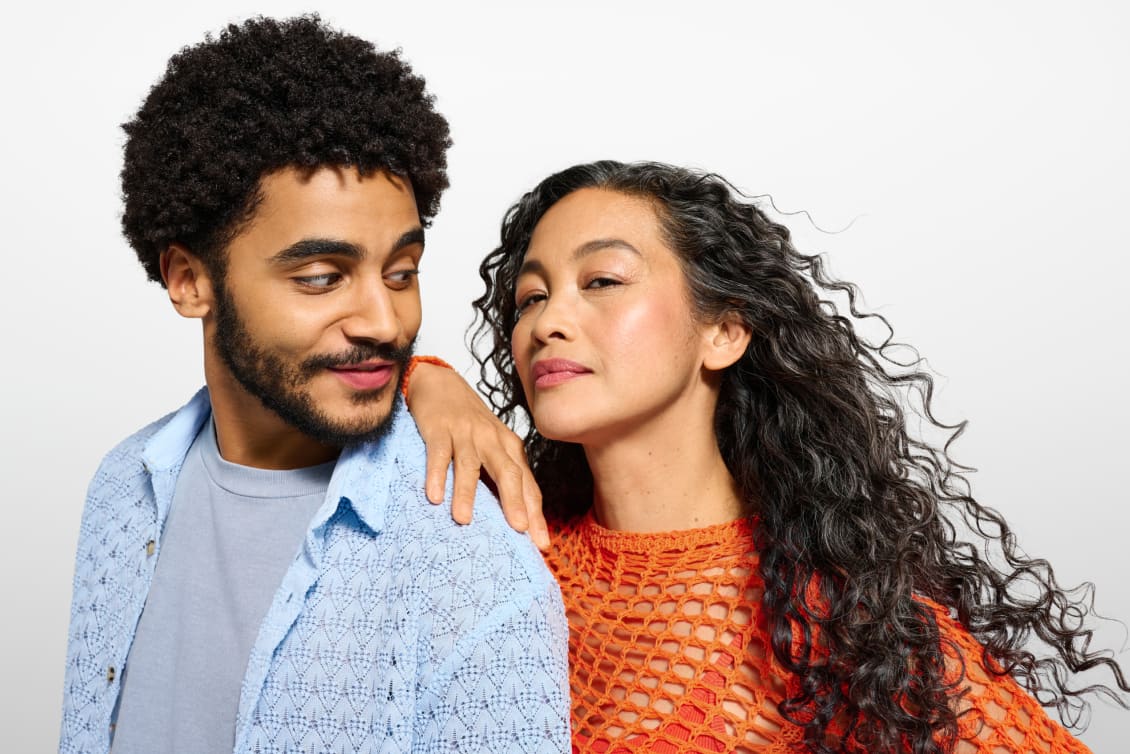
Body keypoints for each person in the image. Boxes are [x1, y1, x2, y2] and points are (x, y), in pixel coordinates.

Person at [407, 160, 1129, 753]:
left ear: (723, 331)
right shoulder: (497, 552)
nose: (548, 322)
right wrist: (424, 379)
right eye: (531, 298)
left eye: (602, 282)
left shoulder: (836, 614)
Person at [58, 16, 569, 754]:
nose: (385, 320)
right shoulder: (121, 491)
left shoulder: (474, 577)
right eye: (322, 277)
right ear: (190, 279)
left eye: (402, 272)